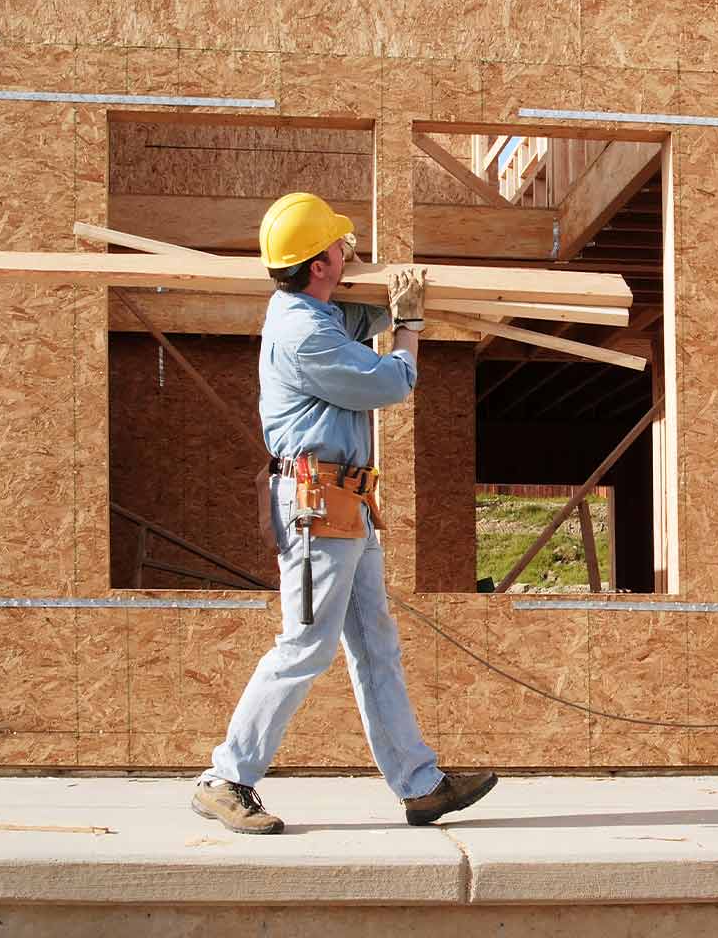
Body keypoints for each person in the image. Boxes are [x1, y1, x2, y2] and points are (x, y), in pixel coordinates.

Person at [191, 192, 498, 834]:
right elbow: (392, 381)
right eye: (338, 245)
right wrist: (409, 326)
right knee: (305, 643)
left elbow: (356, 318)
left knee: (375, 646)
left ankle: (420, 785)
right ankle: (227, 778)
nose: (347, 249)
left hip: (345, 503)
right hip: (315, 507)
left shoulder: (313, 310)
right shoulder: (304, 333)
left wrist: (391, 296)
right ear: (320, 263)